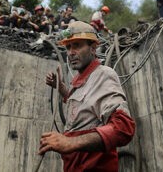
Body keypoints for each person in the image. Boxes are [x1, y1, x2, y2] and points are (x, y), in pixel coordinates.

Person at [39, 21, 135, 172]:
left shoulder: (103, 74)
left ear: (93, 48)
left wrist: (70, 143)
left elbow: (123, 128)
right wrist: (63, 89)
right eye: (68, 47)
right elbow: (83, 106)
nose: (71, 52)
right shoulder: (80, 79)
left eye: (77, 45)